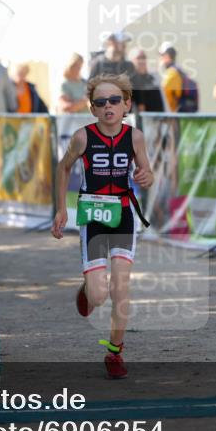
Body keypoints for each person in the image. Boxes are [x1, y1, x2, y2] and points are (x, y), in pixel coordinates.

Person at [50, 74, 154, 380]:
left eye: (114, 100)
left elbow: (146, 171)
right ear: (92, 109)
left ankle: (114, 352)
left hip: (123, 215)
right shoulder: (83, 137)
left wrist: (146, 176)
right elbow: (63, 167)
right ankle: (87, 291)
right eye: (100, 102)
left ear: (126, 105)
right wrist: (61, 209)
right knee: (99, 296)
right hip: (93, 216)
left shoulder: (135, 137)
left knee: (121, 286)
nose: (108, 106)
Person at [159, 42, 199, 113]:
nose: (160, 58)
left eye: (161, 55)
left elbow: (163, 94)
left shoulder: (172, 73)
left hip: (177, 114)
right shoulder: (179, 71)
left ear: (167, 56)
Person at [128, 48, 164, 113]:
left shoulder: (153, 79)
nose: (142, 61)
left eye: (144, 57)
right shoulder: (129, 82)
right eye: (139, 58)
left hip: (157, 116)